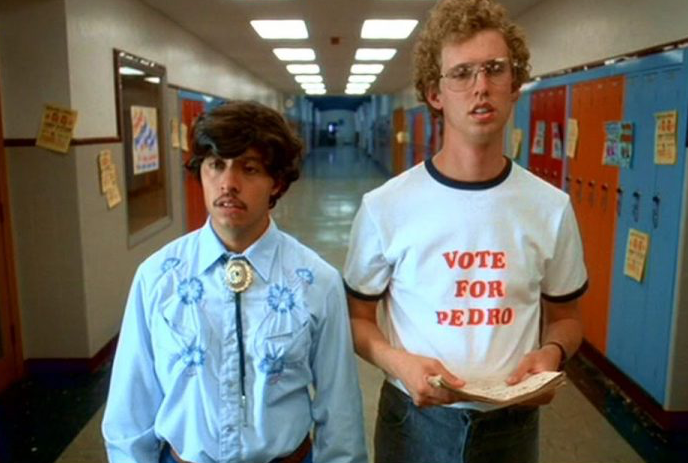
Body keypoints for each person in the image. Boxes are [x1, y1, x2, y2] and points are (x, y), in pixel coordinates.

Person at [343, 1, 588, 462]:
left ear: (514, 85)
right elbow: (357, 319)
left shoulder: (550, 208)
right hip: (412, 422)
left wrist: (553, 352)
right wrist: (399, 363)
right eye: (462, 73)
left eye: (495, 69)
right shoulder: (385, 207)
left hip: (511, 425)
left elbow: (567, 317)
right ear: (435, 93)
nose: (481, 87)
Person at [102, 101, 368, 463]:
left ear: (275, 182)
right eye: (216, 165)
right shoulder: (159, 276)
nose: (228, 183)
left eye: (249, 168)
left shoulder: (316, 281)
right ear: (201, 173)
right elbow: (130, 406)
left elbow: (340, 409)